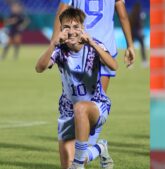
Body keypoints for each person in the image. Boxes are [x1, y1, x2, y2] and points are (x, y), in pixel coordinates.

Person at [35, 8, 117, 169]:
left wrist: (92, 42)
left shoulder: (94, 46)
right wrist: (53, 43)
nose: (71, 32)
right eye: (66, 27)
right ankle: (99, 148)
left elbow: (113, 66)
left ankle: (78, 163)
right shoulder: (59, 50)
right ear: (61, 30)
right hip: (68, 111)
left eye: (75, 27)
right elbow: (39, 68)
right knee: (67, 166)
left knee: (80, 108)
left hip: (96, 105)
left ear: (82, 28)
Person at [52, 0, 135, 92]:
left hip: (80, 45)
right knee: (97, 100)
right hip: (105, 49)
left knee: (77, 98)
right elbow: (123, 16)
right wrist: (130, 45)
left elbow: (61, 12)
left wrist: (54, 43)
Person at [129, 2, 147, 67]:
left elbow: (129, 24)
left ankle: (130, 62)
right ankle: (144, 61)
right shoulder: (140, 15)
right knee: (142, 48)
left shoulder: (131, 15)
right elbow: (141, 25)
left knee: (131, 47)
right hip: (138, 33)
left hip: (132, 33)